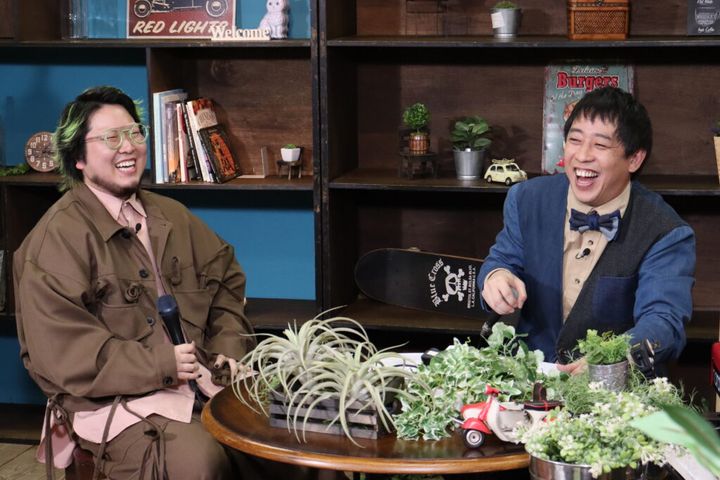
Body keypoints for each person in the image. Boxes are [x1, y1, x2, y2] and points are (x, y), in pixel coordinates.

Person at [13, 86, 261, 479]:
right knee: (198, 462)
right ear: (78, 158)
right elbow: (63, 356)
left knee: (301, 441)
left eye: (134, 132)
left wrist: (228, 347)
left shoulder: (172, 214)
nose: (128, 146)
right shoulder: (54, 241)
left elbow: (226, 279)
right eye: (110, 138)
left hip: (204, 381)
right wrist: (163, 363)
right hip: (112, 403)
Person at [479, 86, 695, 373]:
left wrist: (609, 361)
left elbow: (663, 323)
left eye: (600, 145)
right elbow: (501, 260)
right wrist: (496, 276)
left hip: (614, 390)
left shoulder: (665, 231)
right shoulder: (527, 199)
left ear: (634, 159)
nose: (582, 155)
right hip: (530, 378)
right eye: (574, 140)